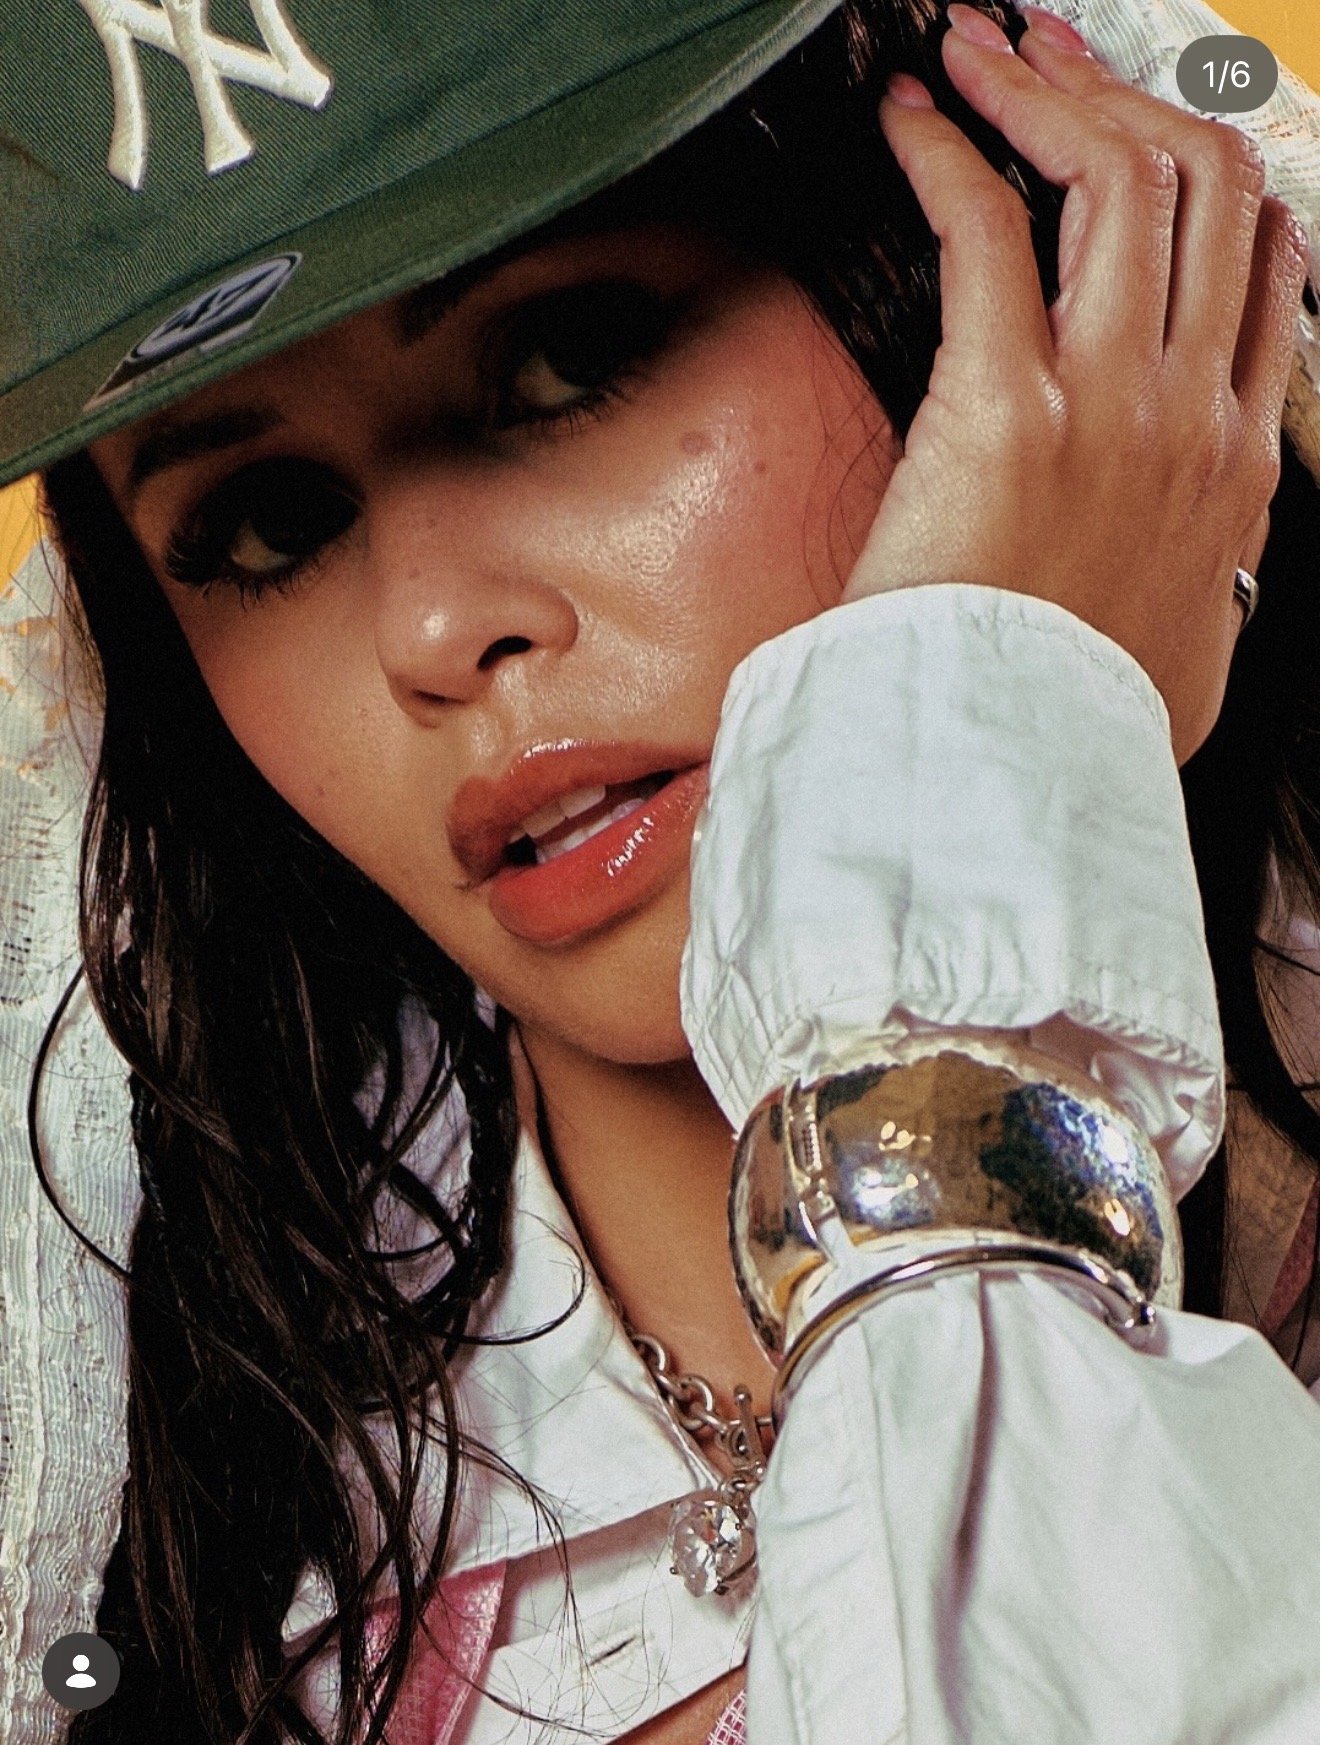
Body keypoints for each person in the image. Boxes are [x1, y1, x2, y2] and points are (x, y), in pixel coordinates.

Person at [3, 0, 1320, 1740]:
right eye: (265, 522)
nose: (433, 626)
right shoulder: (188, 1574)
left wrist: (973, 767)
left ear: (997, 275)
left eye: (563, 357)